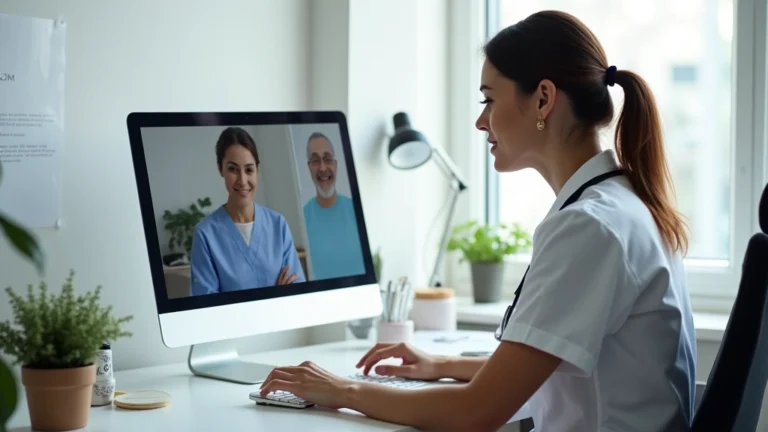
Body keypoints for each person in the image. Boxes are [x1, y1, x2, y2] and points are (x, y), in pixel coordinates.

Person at [258, 10, 697, 432]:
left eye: (489, 100)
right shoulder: (621, 204)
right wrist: (442, 365)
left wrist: (343, 390)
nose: (480, 121)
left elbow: (476, 413)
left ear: (543, 98)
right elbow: (541, 361)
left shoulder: (591, 227)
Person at [189, 126, 305, 296]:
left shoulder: (277, 225)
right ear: (220, 169)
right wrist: (275, 295)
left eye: (249, 170)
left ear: (257, 170)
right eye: (232, 169)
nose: (242, 181)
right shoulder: (206, 234)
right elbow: (206, 308)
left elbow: (296, 292)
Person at [302, 132, 365, 280]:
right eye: (316, 161)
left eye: (327, 159)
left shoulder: (357, 212)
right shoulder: (302, 220)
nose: (323, 168)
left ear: (335, 165)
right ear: (309, 167)